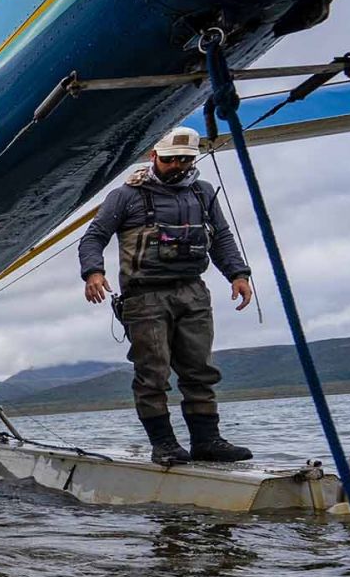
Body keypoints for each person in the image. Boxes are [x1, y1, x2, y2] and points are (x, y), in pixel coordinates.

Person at [78, 126, 254, 466]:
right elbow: (93, 238)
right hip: (144, 297)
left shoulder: (203, 193)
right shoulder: (125, 196)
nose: (178, 165)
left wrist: (238, 274)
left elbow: (222, 238)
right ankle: (164, 445)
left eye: (185, 160)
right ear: (154, 156)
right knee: (152, 373)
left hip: (193, 292)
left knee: (200, 369)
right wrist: (93, 273)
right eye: (171, 159)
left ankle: (208, 441)